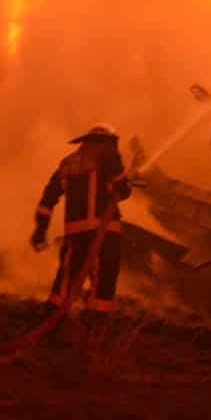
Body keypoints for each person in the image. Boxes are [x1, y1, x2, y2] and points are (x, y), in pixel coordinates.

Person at [31, 123, 132, 327]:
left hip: (75, 234)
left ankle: (51, 320)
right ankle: (95, 325)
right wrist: (125, 184)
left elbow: (47, 200)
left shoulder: (67, 164)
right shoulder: (108, 157)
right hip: (104, 232)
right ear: (106, 142)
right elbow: (122, 190)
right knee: (103, 279)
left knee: (66, 278)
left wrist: (40, 229)